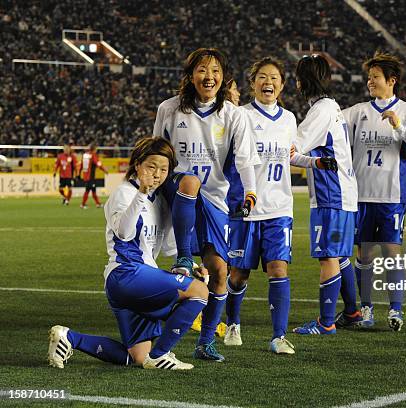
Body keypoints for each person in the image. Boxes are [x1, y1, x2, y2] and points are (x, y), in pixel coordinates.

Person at [47, 137, 209, 370]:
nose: (157, 174)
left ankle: (69, 338)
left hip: (139, 278)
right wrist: (142, 192)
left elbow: (166, 247)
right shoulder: (124, 192)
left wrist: (191, 265)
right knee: (199, 291)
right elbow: (123, 232)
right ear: (138, 165)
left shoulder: (162, 201)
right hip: (126, 274)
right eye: (151, 166)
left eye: (164, 169)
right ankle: (162, 354)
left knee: (137, 357)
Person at [153, 48, 259, 362]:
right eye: (201, 70)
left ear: (223, 76)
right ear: (190, 75)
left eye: (215, 71)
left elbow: (245, 159)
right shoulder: (169, 109)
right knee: (189, 181)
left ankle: (205, 342)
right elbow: (157, 149)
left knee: (219, 271)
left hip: (214, 197)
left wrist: (250, 193)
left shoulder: (234, 115)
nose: (208, 77)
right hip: (176, 189)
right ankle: (184, 258)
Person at [340, 52, 406, 331]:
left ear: (391, 81)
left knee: (392, 252)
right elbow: (331, 125)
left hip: (392, 197)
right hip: (361, 196)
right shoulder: (357, 112)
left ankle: (396, 309)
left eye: (375, 77)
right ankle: (366, 308)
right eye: (369, 78)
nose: (370, 82)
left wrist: (398, 126)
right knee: (364, 255)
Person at [224, 57, 296, 354]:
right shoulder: (239, 116)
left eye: (275, 78)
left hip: (279, 208)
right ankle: (232, 324)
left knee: (278, 269)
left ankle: (279, 336)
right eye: (263, 77)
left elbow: (292, 155)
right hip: (245, 207)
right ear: (252, 82)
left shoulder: (290, 119)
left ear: (281, 84)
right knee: (238, 274)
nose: (269, 82)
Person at [289, 54, 357, 336]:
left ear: (300, 82)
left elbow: (291, 148)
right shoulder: (331, 107)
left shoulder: (321, 111)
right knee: (339, 256)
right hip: (341, 192)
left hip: (332, 194)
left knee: (329, 256)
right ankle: (353, 312)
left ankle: (326, 322)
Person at [79, 143, 109, 209]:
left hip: (86, 175)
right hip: (90, 176)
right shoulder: (93, 155)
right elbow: (98, 164)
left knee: (93, 190)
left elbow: (81, 165)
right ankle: (83, 204)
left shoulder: (85, 155)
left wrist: (79, 173)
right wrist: (105, 170)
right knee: (88, 190)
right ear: (94, 149)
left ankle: (98, 204)